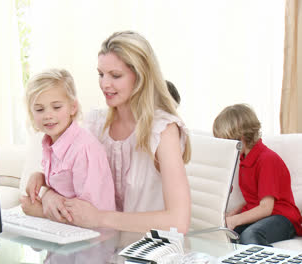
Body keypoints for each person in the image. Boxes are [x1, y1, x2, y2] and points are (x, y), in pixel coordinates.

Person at [37, 31, 192, 233]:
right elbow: (73, 183)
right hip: (101, 246)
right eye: (101, 74)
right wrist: (47, 192)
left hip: (147, 251)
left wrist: (100, 218)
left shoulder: (163, 131)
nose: (104, 84)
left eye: (115, 76)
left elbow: (179, 222)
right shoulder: (95, 124)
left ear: (141, 77)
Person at [20, 68, 116, 219]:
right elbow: (64, 187)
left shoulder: (83, 149)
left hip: (90, 238)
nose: (48, 115)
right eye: (39, 109)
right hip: (62, 232)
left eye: (56, 107)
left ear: (73, 107)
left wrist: (41, 212)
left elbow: (90, 216)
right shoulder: (50, 143)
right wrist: (42, 178)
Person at [213, 103, 302, 245]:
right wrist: (235, 212)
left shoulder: (267, 159)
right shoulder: (244, 160)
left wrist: (235, 220)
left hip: (282, 218)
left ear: (240, 138)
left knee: (250, 235)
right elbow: (255, 198)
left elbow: (266, 208)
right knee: (227, 234)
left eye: (226, 140)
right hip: (263, 216)